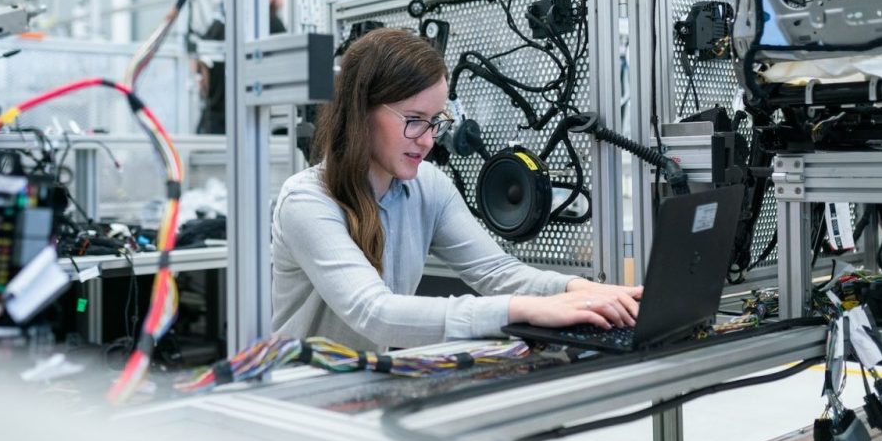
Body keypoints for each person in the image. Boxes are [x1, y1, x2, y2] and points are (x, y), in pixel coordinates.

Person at [271, 28, 642, 351]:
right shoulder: (308, 200)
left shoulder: (427, 186)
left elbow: (497, 272)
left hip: (365, 384)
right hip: (303, 397)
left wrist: (581, 291)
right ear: (361, 112)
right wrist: (522, 310)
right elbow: (375, 313)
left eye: (436, 122)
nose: (429, 140)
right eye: (414, 121)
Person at [195, 0, 287, 134]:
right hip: (250, 126)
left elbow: (200, 73)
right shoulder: (271, 23)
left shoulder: (219, 24)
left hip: (213, 126)